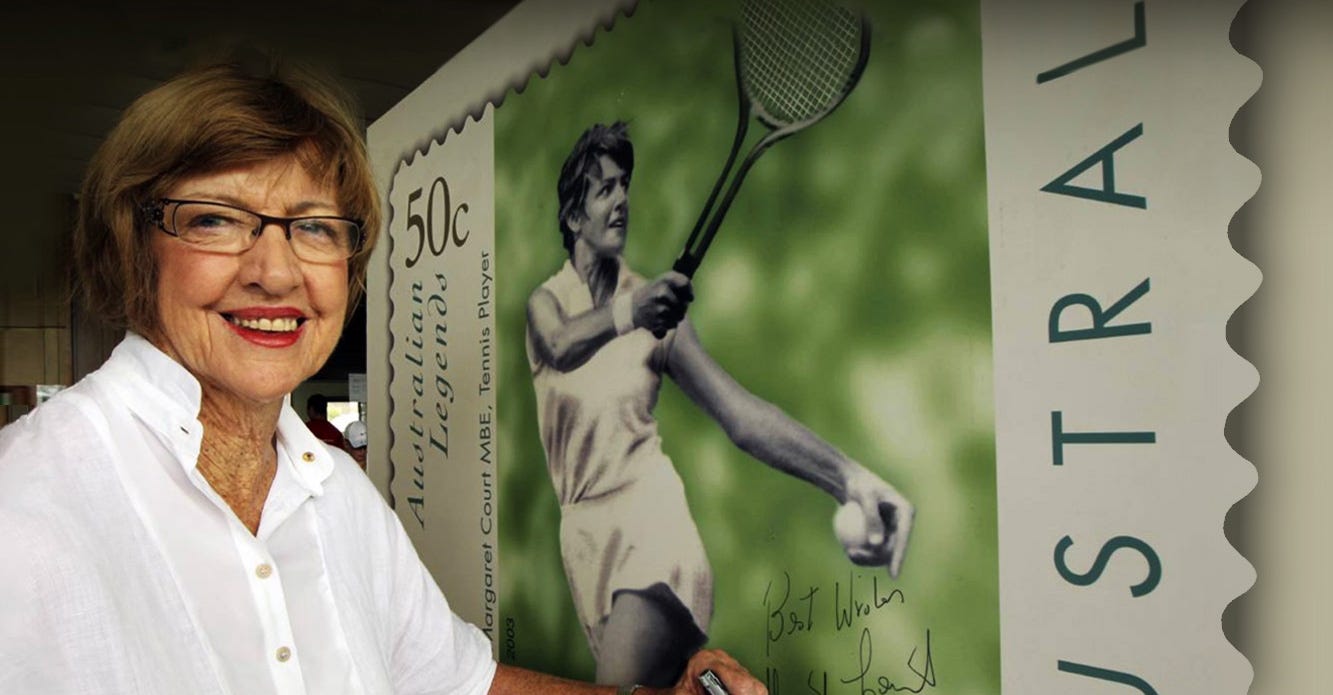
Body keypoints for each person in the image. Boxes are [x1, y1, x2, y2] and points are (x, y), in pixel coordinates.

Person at [0, 62, 765, 695]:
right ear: (133, 249)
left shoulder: (339, 494)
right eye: (216, 219)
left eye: (314, 227)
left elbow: (463, 683)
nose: (275, 271)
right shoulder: (26, 506)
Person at [525, 122, 914, 687]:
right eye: (605, 188)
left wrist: (849, 479)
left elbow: (742, 417)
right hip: (585, 542)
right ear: (573, 217)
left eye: (625, 184)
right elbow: (561, 346)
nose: (622, 199)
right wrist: (633, 311)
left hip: (651, 529)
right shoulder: (550, 303)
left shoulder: (656, 314)